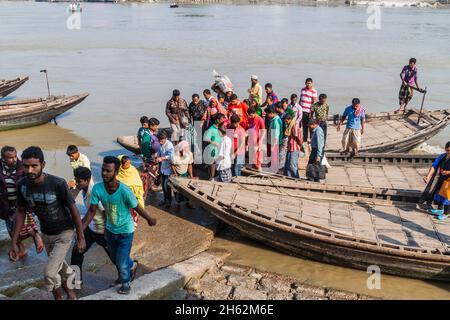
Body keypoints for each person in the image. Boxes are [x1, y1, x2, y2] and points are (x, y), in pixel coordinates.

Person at [11, 146, 86, 300]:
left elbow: (73, 209)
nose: (29, 170)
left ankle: (58, 297)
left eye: (34, 166)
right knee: (59, 268)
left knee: (49, 272)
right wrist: (14, 241)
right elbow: (20, 211)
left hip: (64, 232)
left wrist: (81, 237)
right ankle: (72, 291)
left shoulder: (57, 183)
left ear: (43, 165)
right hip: (46, 233)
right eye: (26, 166)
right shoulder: (22, 185)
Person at [83, 156, 156, 295]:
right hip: (110, 230)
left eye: (108, 171)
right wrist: (80, 230)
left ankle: (126, 283)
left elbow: (137, 207)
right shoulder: (98, 189)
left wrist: (149, 218)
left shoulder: (124, 191)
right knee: (116, 258)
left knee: (121, 261)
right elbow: (91, 212)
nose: (104, 173)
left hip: (125, 231)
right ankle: (132, 265)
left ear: (116, 172)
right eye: (103, 170)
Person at [0, 146, 43, 261]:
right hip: (5, 205)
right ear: (3, 158)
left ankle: (36, 236)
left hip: (23, 202)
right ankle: (21, 249)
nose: (14, 159)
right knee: (11, 229)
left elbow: (33, 180)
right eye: (10, 158)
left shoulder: (23, 167)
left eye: (15, 156)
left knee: (28, 225)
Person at [70, 167, 108, 283]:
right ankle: (76, 280)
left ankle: (129, 269)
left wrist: (107, 232)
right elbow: (70, 199)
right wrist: (76, 187)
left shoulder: (92, 192)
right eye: (76, 180)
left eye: (79, 181)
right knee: (77, 250)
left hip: (101, 230)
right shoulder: (83, 189)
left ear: (87, 180)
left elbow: (105, 211)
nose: (77, 183)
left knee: (114, 256)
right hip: (91, 228)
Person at [423, 142, 450, 220]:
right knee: (439, 193)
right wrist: (428, 176)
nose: (449, 152)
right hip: (442, 178)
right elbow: (434, 166)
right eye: (448, 150)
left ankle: (446, 213)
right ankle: (440, 210)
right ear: (445, 149)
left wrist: (448, 172)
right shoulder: (442, 156)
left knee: (447, 196)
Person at [117, 155, 144, 226]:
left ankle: (133, 222)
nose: (129, 165)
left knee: (132, 209)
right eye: (127, 164)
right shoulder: (119, 171)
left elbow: (138, 181)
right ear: (122, 164)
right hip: (122, 197)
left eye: (129, 163)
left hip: (133, 195)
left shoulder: (133, 169)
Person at [171, 141, 195, 212]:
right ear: (180, 149)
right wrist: (174, 173)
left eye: (187, 149)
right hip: (178, 174)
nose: (187, 150)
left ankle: (188, 203)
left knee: (188, 190)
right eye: (185, 149)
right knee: (177, 191)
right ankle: (178, 205)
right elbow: (172, 165)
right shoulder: (175, 156)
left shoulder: (190, 154)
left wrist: (191, 176)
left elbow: (190, 165)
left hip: (186, 173)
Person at [203, 113, 226, 180]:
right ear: (218, 120)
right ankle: (211, 177)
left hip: (219, 148)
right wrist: (214, 143)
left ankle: (212, 177)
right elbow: (206, 138)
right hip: (213, 148)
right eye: (222, 119)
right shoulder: (211, 128)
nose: (223, 121)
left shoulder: (220, 128)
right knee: (212, 163)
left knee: (215, 163)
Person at [156, 132, 174, 209]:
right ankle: (165, 199)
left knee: (167, 186)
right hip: (162, 167)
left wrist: (161, 158)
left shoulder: (169, 145)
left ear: (165, 138)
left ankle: (168, 202)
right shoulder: (160, 145)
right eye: (159, 140)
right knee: (163, 185)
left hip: (169, 169)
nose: (160, 142)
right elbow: (159, 153)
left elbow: (170, 156)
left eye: (162, 140)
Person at [283, 114, 303, 178]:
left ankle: (296, 177)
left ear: (289, 119)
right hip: (290, 146)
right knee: (288, 163)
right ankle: (289, 177)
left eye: (286, 121)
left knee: (292, 164)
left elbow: (297, 137)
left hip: (295, 147)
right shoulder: (290, 125)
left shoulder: (294, 125)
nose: (286, 122)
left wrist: (301, 146)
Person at [299, 78, 318, 142]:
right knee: (304, 126)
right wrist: (299, 109)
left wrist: (311, 112)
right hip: (302, 110)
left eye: (309, 83)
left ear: (312, 83)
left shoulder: (314, 91)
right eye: (307, 83)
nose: (308, 84)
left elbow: (314, 102)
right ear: (305, 83)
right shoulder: (303, 89)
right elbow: (300, 99)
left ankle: (312, 139)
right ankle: (305, 139)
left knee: (310, 126)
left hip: (308, 111)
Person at [265, 105, 283, 171]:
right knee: (270, 156)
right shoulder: (273, 120)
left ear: (272, 113)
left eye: (268, 114)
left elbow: (276, 134)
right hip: (270, 141)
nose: (267, 116)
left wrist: (274, 145)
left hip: (274, 143)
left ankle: (273, 170)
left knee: (274, 157)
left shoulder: (276, 121)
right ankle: (270, 168)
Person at [247, 107, 265, 171]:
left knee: (258, 159)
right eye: (249, 115)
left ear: (254, 113)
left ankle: (259, 171)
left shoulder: (260, 119)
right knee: (252, 158)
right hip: (251, 141)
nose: (250, 116)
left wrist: (260, 141)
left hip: (257, 141)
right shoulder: (250, 118)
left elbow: (263, 131)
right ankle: (253, 170)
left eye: (251, 115)